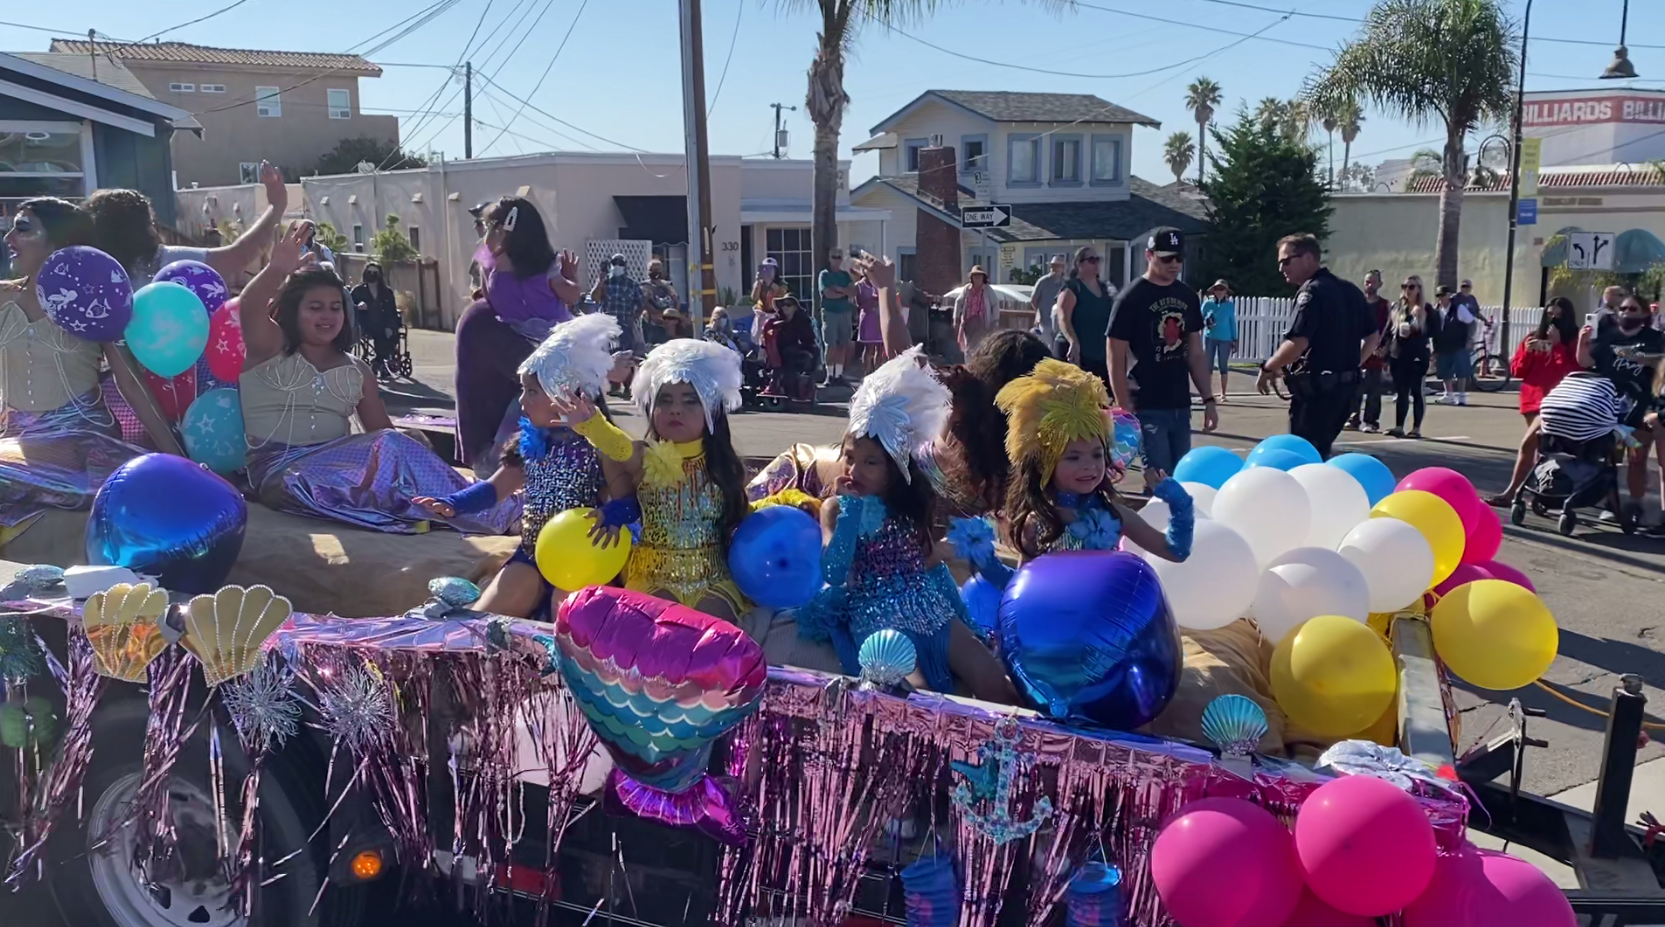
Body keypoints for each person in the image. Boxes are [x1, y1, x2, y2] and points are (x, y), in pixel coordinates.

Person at [237, 222, 517, 534]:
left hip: (339, 477)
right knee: (388, 449)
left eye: (335, 308)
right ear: (292, 312)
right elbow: (249, 306)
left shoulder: (357, 370)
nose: (327, 316)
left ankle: (479, 507)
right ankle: (498, 514)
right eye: (315, 308)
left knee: (395, 449)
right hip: (281, 474)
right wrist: (277, 270)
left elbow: (381, 437)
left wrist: (415, 447)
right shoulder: (270, 349)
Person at [797, 349, 1006, 697]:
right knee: (916, 696)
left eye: (870, 463)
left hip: (927, 604)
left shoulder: (909, 506)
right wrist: (850, 512)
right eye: (850, 458)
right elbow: (834, 571)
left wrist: (968, 552)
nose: (854, 470)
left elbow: (923, 560)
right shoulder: (835, 506)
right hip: (876, 618)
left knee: (992, 682)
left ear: (894, 470)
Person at [416, 316, 636, 619]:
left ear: (564, 395)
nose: (521, 400)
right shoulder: (526, 443)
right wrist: (454, 504)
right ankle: (458, 641)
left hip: (582, 558)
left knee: (568, 612)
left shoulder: (599, 446)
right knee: (489, 611)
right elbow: (494, 488)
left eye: (531, 391)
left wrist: (610, 516)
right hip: (531, 553)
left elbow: (630, 501)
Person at [0, 198, 170, 541]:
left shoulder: (95, 301)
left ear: (60, 241)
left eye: (23, 228)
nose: (8, 239)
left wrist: (180, 460)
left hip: (80, 439)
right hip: (18, 440)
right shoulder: (3, 299)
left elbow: (131, 384)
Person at [569, 338, 751, 621]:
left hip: (713, 579)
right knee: (660, 633)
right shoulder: (645, 455)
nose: (675, 409)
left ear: (711, 411)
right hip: (653, 578)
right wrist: (592, 424)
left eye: (690, 401)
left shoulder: (724, 467)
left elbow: (740, 520)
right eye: (665, 400)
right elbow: (619, 447)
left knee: (714, 637)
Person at [996, 359, 1194, 562]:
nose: (1089, 466)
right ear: (1045, 464)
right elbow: (1022, 587)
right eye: (1073, 457)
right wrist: (989, 568)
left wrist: (1180, 503)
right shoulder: (1038, 522)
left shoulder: (1115, 515)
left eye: (1097, 455)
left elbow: (1176, 551)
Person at [454, 196, 586, 475]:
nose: (485, 234)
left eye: (490, 227)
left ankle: (511, 457)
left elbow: (570, 295)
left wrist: (572, 280)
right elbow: (488, 297)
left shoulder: (545, 266)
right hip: (519, 334)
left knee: (536, 395)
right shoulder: (487, 263)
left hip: (551, 338)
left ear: (508, 230)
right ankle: (502, 458)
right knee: (528, 397)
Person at [1107, 227, 1216, 488]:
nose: (1174, 264)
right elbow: (1115, 354)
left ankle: (1172, 526)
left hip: (1180, 403)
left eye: (1179, 258)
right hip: (1147, 403)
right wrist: (1123, 406)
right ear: (1149, 255)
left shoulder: (1187, 296)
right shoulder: (1131, 297)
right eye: (1167, 258)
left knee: (1182, 479)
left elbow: (1196, 353)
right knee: (1159, 479)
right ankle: (1155, 525)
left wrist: (1209, 398)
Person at [1256, 235, 1378, 459]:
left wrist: (1269, 367)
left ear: (1308, 258)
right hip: (1345, 390)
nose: (1282, 267)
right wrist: (1353, 363)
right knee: (1320, 452)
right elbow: (1373, 336)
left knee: (1304, 457)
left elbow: (1298, 342)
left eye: (1286, 261)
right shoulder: (1351, 291)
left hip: (1318, 393)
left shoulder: (1311, 292)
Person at [84, 161, 287, 289]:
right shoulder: (167, 261)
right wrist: (276, 207)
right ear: (145, 226)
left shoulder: (88, 275)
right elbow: (238, 256)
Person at [1484, 298, 1581, 507]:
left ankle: (1513, 493)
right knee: (1540, 449)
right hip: (1532, 400)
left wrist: (1557, 347)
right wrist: (1528, 352)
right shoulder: (1532, 337)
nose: (1552, 320)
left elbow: (1573, 372)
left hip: (1557, 402)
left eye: (1558, 316)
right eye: (1549, 315)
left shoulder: (1574, 341)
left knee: (1531, 445)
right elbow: (1517, 371)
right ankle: (1539, 492)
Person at [1578, 293, 1665, 521]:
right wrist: (1583, 341)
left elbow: (1661, 361)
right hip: (1609, 410)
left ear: (1645, 313)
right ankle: (1611, 502)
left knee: (1637, 458)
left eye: (1633, 309)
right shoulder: (1608, 337)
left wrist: (1640, 357)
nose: (1626, 313)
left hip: (1640, 410)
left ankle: (1635, 505)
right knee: (1610, 457)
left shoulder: (1655, 338)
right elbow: (1586, 362)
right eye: (1623, 309)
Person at [1384, 275, 1438, 439]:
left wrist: (1419, 324)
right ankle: (1399, 426)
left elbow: (1435, 332)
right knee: (1401, 391)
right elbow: (1388, 330)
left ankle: (1416, 428)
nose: (1407, 290)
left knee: (1416, 391)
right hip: (1399, 354)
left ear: (1419, 289)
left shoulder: (1426, 309)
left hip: (1417, 355)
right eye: (1404, 286)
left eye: (1411, 287)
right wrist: (1383, 350)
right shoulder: (1397, 307)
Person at [1055, 246, 1115, 385]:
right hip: (1075, 354)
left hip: (1099, 353)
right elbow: (1063, 318)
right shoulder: (1073, 288)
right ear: (1079, 264)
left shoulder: (1105, 289)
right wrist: (1073, 341)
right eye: (1092, 260)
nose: (1096, 264)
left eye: (1098, 260)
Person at [1346, 270, 1392, 433]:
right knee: (1354, 387)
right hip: (1357, 351)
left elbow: (1389, 329)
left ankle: (1371, 421)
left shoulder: (1384, 305)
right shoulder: (1358, 303)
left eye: (1372, 282)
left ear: (1380, 284)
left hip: (1376, 353)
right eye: (1367, 281)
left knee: (1373, 389)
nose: (1369, 285)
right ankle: (1353, 417)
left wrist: (1385, 348)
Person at [351, 261, 400, 379]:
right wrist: (357, 306)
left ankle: (379, 361)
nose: (372, 274)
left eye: (375, 272)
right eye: (370, 272)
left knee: (390, 334)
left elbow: (392, 312)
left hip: (383, 323)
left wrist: (390, 325)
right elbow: (349, 306)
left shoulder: (387, 292)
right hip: (365, 324)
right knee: (379, 334)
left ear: (379, 274)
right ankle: (380, 362)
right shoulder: (358, 291)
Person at [594, 253, 645, 361]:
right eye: (614, 263)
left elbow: (641, 304)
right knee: (606, 357)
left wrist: (633, 318)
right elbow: (595, 298)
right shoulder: (605, 283)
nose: (617, 265)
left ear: (625, 266)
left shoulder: (632, 284)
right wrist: (600, 279)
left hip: (624, 326)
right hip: (606, 326)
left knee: (626, 356)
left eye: (620, 263)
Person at [818, 248, 857, 385]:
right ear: (830, 258)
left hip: (844, 312)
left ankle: (838, 375)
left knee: (843, 344)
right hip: (830, 312)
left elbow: (853, 291)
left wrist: (839, 290)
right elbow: (828, 294)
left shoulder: (845, 275)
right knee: (830, 344)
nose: (836, 259)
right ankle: (829, 375)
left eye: (839, 257)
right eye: (834, 256)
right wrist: (844, 293)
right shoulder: (824, 275)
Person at [1432, 284, 1476, 406]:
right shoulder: (1436, 310)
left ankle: (1462, 397)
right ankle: (1449, 395)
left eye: (1443, 295)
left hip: (1459, 344)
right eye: (1439, 296)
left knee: (1461, 371)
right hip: (1443, 345)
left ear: (1449, 296)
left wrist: (1469, 340)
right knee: (1444, 370)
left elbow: (1472, 322)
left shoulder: (1459, 308)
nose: (1441, 298)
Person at [1200, 279, 1237, 401]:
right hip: (1210, 337)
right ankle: (1207, 393)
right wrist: (1206, 321)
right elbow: (1199, 319)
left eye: (1222, 289)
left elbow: (1232, 323)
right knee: (1207, 366)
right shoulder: (1207, 304)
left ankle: (1223, 394)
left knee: (1223, 366)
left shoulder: (1230, 305)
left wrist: (1235, 339)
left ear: (1226, 291)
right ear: (1214, 291)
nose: (1220, 291)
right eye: (1217, 289)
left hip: (1225, 339)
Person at [1029, 254, 1069, 356]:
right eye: (1053, 266)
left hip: (1059, 323)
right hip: (1045, 321)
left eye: (1058, 266)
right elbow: (1033, 300)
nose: (1055, 269)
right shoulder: (1043, 281)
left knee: (1056, 350)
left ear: (1063, 268)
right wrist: (1038, 314)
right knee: (1046, 349)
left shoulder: (1065, 283)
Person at [954, 265, 994, 356]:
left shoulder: (988, 290)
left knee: (980, 347)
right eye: (975, 275)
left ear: (983, 278)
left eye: (979, 275)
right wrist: (956, 318)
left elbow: (995, 305)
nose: (977, 277)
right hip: (968, 323)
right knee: (967, 346)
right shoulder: (967, 289)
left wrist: (994, 321)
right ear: (971, 278)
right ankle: (969, 365)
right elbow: (958, 302)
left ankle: (976, 366)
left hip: (982, 323)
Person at [642, 259, 681, 345]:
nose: (655, 272)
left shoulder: (667, 285)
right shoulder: (645, 286)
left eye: (658, 269)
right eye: (653, 270)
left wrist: (674, 315)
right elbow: (645, 303)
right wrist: (660, 315)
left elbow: (676, 299)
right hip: (653, 323)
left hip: (669, 324)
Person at [856, 264, 885, 371]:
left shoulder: (878, 284)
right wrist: (870, 302)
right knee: (869, 348)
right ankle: (867, 374)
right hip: (868, 319)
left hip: (879, 319)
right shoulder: (859, 286)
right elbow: (858, 304)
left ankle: (878, 373)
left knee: (880, 347)